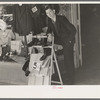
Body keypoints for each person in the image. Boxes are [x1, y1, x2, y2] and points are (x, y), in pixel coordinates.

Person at [45, 5, 76, 85]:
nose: (49, 14)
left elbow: (73, 29)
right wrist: (48, 34)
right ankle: (57, 75)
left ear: (54, 11)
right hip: (60, 42)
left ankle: (71, 79)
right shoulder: (50, 21)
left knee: (68, 59)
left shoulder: (61, 19)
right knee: (51, 54)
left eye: (50, 12)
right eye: (47, 13)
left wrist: (69, 41)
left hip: (68, 40)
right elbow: (49, 30)